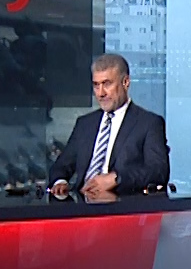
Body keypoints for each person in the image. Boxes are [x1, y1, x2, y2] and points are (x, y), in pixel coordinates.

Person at [48, 53, 169, 202]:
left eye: (107, 84)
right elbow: (61, 166)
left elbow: (158, 171)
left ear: (125, 82)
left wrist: (116, 178)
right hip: (82, 206)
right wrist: (60, 182)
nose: (101, 93)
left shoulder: (149, 123)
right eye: (96, 85)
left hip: (121, 207)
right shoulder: (85, 124)